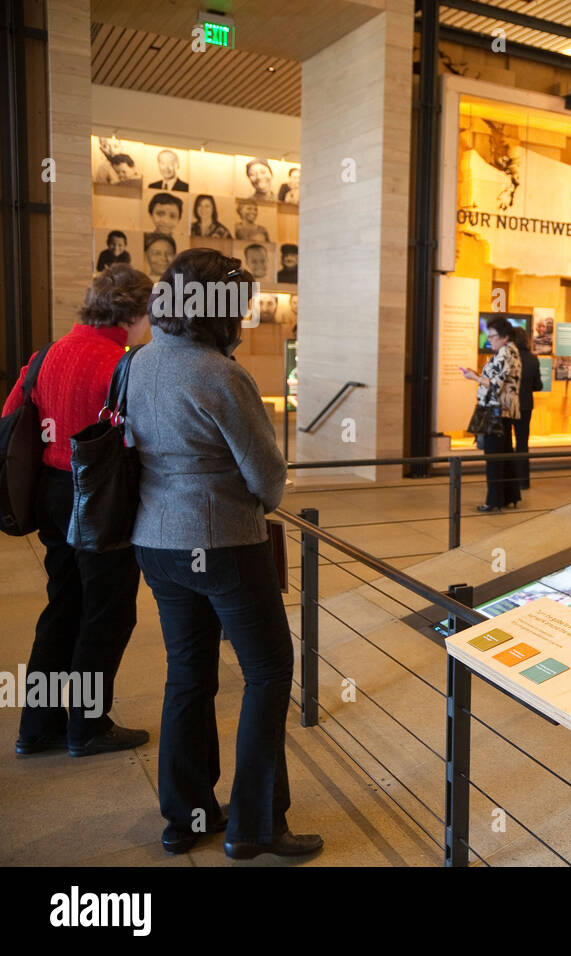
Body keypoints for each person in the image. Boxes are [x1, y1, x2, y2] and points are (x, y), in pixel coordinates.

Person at [127, 247, 321, 859]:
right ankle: (256, 825)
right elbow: (266, 476)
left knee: (188, 674)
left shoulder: (138, 363)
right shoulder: (221, 374)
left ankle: (186, 818)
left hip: (154, 542)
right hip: (224, 546)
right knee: (266, 671)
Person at [3, 264, 154, 758]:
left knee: (62, 605)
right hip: (101, 500)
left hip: (51, 495)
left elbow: (10, 417)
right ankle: (88, 726)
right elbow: (141, 439)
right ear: (131, 313)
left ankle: (38, 726)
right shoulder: (122, 364)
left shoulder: (46, 354)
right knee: (106, 613)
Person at [460, 316, 522, 512]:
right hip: (504, 410)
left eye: (493, 336)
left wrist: (474, 377)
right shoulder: (511, 351)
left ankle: (493, 501)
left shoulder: (505, 352)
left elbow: (495, 384)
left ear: (504, 336)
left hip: (496, 411)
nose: (490, 340)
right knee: (504, 455)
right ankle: (508, 496)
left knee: (494, 458)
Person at [512, 326, 541, 490]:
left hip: (508, 406)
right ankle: (523, 481)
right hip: (525, 405)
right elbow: (538, 385)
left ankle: (508, 479)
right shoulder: (532, 359)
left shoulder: (508, 358)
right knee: (523, 443)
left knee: (507, 443)